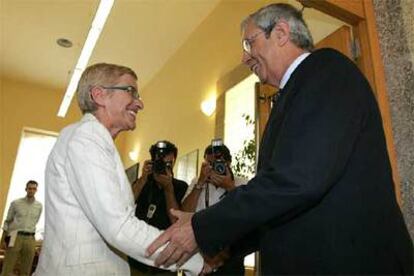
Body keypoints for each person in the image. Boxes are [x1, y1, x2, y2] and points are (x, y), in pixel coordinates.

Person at [147, 3, 413, 275]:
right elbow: (282, 205)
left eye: (249, 43)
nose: (244, 57)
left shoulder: (325, 69)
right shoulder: (291, 94)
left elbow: (297, 179)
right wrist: (225, 248)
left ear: (281, 33)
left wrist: (202, 228)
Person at [34, 63, 203, 275]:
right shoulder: (87, 137)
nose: (139, 103)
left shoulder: (94, 140)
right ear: (99, 95)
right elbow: (119, 226)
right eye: (130, 91)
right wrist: (197, 260)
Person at [182, 143, 247, 275]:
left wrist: (230, 187)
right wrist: (200, 183)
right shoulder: (197, 182)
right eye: (210, 164)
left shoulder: (243, 183)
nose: (214, 168)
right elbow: (184, 212)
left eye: (219, 163)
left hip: (230, 257)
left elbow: (248, 214)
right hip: (198, 256)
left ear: (229, 162)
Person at [128, 140, 188, 275]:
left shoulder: (181, 187)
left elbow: (176, 222)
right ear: (152, 161)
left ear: (174, 162)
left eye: (168, 164)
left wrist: (168, 189)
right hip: (137, 253)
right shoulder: (143, 182)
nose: (164, 167)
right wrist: (143, 178)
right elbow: (125, 203)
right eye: (159, 163)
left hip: (165, 259)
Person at [1, 180, 42, 276]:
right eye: (30, 188)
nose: (31, 190)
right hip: (15, 236)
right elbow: (8, 221)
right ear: (26, 189)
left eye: (34, 189)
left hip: (30, 238)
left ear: (36, 190)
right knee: (8, 265)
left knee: (26, 268)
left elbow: (36, 221)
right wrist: (3, 239)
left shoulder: (39, 206)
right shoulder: (16, 203)